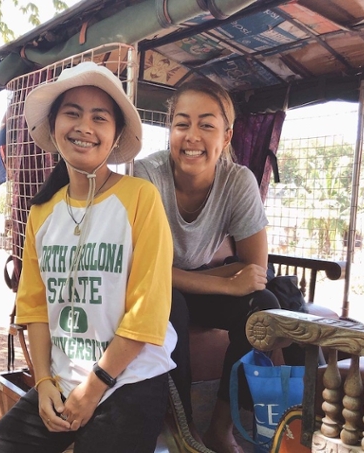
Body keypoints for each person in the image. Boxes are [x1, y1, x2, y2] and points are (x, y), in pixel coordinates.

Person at [0, 61, 177, 453]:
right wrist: (44, 381)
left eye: (100, 117)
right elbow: (34, 307)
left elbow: (147, 312)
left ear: (115, 137)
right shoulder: (42, 212)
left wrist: (95, 386)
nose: (85, 126)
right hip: (62, 384)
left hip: (128, 383)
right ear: (52, 127)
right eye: (72, 113)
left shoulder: (140, 199)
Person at [134, 78, 282, 453]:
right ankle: (180, 428)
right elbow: (148, 272)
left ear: (227, 136)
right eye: (182, 124)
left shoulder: (238, 181)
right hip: (155, 288)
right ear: (170, 131)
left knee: (264, 308)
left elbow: (254, 272)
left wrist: (224, 281)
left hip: (190, 280)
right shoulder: (146, 176)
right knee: (172, 303)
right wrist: (226, 282)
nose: (192, 136)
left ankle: (221, 427)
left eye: (206, 125)